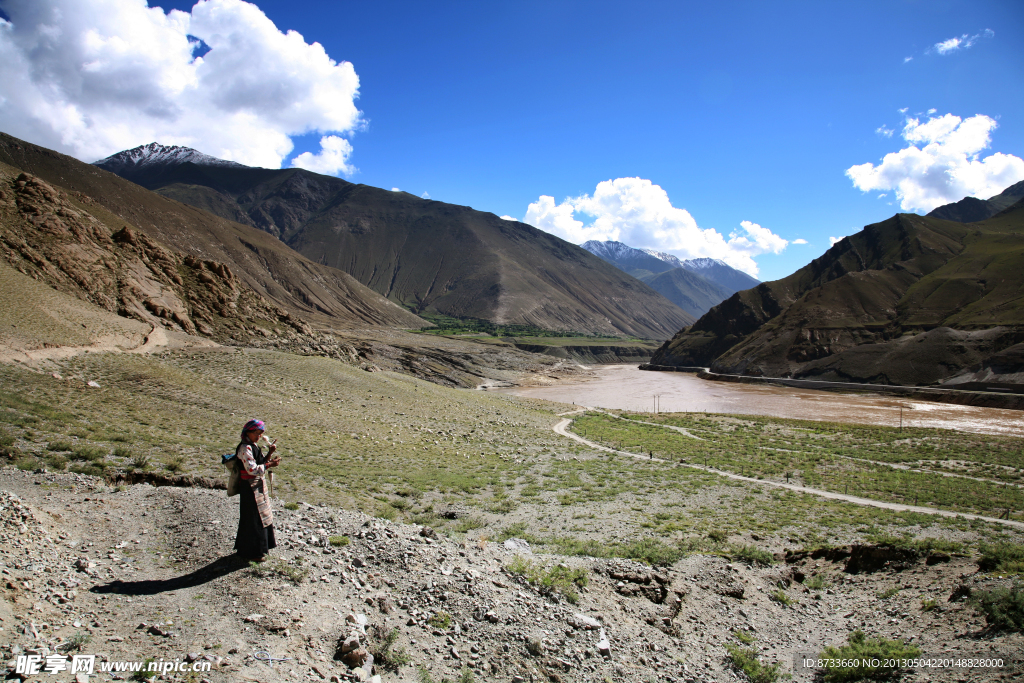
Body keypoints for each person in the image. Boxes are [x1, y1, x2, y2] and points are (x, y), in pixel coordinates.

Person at [234, 419, 280, 561]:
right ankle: (253, 553)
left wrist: (270, 454)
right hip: (249, 487)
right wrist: (269, 465)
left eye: (260, 433)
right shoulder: (244, 448)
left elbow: (259, 462)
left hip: (257, 486)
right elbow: (252, 469)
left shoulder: (252, 446)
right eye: (256, 433)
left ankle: (259, 550)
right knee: (253, 519)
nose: (258, 436)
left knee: (260, 516)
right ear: (248, 432)